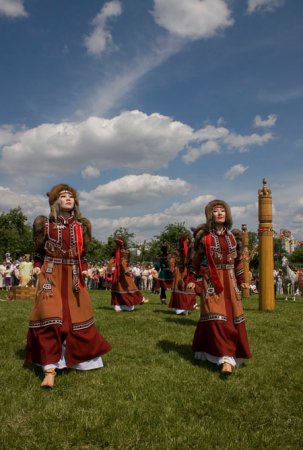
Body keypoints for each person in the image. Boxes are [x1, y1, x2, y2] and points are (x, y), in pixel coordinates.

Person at [25, 184, 112, 388]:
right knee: (50, 318)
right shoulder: (45, 225)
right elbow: (38, 253)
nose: (68, 198)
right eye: (63, 196)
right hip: (51, 274)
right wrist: (37, 267)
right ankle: (49, 369)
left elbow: (82, 255)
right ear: (55, 201)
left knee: (76, 320)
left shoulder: (81, 227)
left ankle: (79, 361)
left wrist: (84, 269)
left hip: (73, 277)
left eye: (71, 196)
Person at [192, 199, 252, 375]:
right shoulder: (205, 239)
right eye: (216, 211)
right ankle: (225, 359)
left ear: (227, 214)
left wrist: (242, 281)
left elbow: (238, 262)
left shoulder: (233, 237)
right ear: (210, 214)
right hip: (212, 282)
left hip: (231, 283)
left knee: (232, 319)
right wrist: (193, 278)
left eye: (222, 210)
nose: (219, 213)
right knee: (217, 318)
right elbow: (195, 261)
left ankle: (222, 353)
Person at [108, 237, 149, 312]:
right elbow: (123, 262)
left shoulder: (116, 253)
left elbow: (111, 264)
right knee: (130, 287)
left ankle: (118, 306)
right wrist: (126, 270)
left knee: (121, 289)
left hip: (118, 274)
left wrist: (111, 271)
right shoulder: (124, 252)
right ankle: (137, 301)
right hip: (123, 274)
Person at [169, 232, 198, 315]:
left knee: (187, 287)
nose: (186, 241)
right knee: (180, 287)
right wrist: (173, 269)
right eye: (185, 240)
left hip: (187, 271)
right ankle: (180, 307)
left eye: (187, 239)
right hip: (180, 271)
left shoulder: (191, 249)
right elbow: (172, 261)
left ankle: (187, 306)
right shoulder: (178, 251)